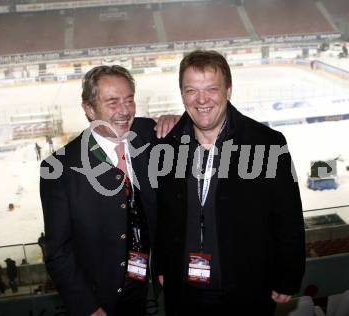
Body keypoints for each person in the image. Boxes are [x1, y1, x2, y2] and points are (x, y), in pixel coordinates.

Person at [154, 50, 305, 316]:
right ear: (182, 94)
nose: (201, 100)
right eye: (191, 90)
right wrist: (163, 266)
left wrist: (288, 275)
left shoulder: (266, 143)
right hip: (184, 292)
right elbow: (164, 217)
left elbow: (288, 217)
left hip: (246, 290)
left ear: (229, 90)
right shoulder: (168, 145)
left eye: (212, 89)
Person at [40, 65, 177, 316]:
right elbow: (58, 253)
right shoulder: (59, 168)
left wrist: (179, 121)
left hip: (154, 291)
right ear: (89, 109)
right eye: (112, 102)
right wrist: (89, 307)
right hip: (102, 300)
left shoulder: (151, 135)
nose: (124, 110)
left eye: (129, 100)